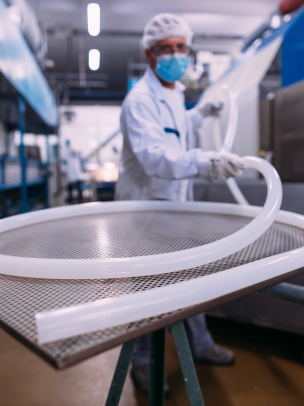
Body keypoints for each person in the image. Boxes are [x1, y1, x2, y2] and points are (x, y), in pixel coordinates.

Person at [114, 13, 244, 397]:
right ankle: (141, 364)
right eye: (165, 48)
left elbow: (175, 126)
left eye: (180, 47)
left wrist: (199, 114)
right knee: (148, 291)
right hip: (145, 210)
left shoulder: (173, 91)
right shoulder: (138, 100)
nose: (174, 54)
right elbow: (156, 156)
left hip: (175, 206)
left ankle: (201, 346)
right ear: (149, 54)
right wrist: (206, 163)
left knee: (193, 277)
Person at [63, 139, 88, 204]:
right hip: (70, 176)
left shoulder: (75, 153)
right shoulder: (65, 152)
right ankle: (71, 202)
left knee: (79, 190)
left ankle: (80, 202)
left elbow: (78, 152)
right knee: (70, 190)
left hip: (77, 176)